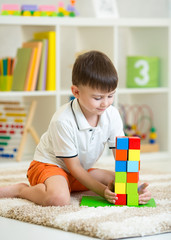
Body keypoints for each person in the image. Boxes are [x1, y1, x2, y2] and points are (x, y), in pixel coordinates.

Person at [0, 51, 151, 206]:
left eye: (110, 95)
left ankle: (68, 185)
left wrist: (135, 188)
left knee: (117, 181)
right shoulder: (63, 121)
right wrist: (102, 192)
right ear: (76, 92)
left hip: (79, 171)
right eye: (98, 98)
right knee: (58, 198)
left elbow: (122, 155)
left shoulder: (112, 114)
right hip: (49, 165)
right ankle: (21, 190)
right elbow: (74, 167)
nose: (105, 103)